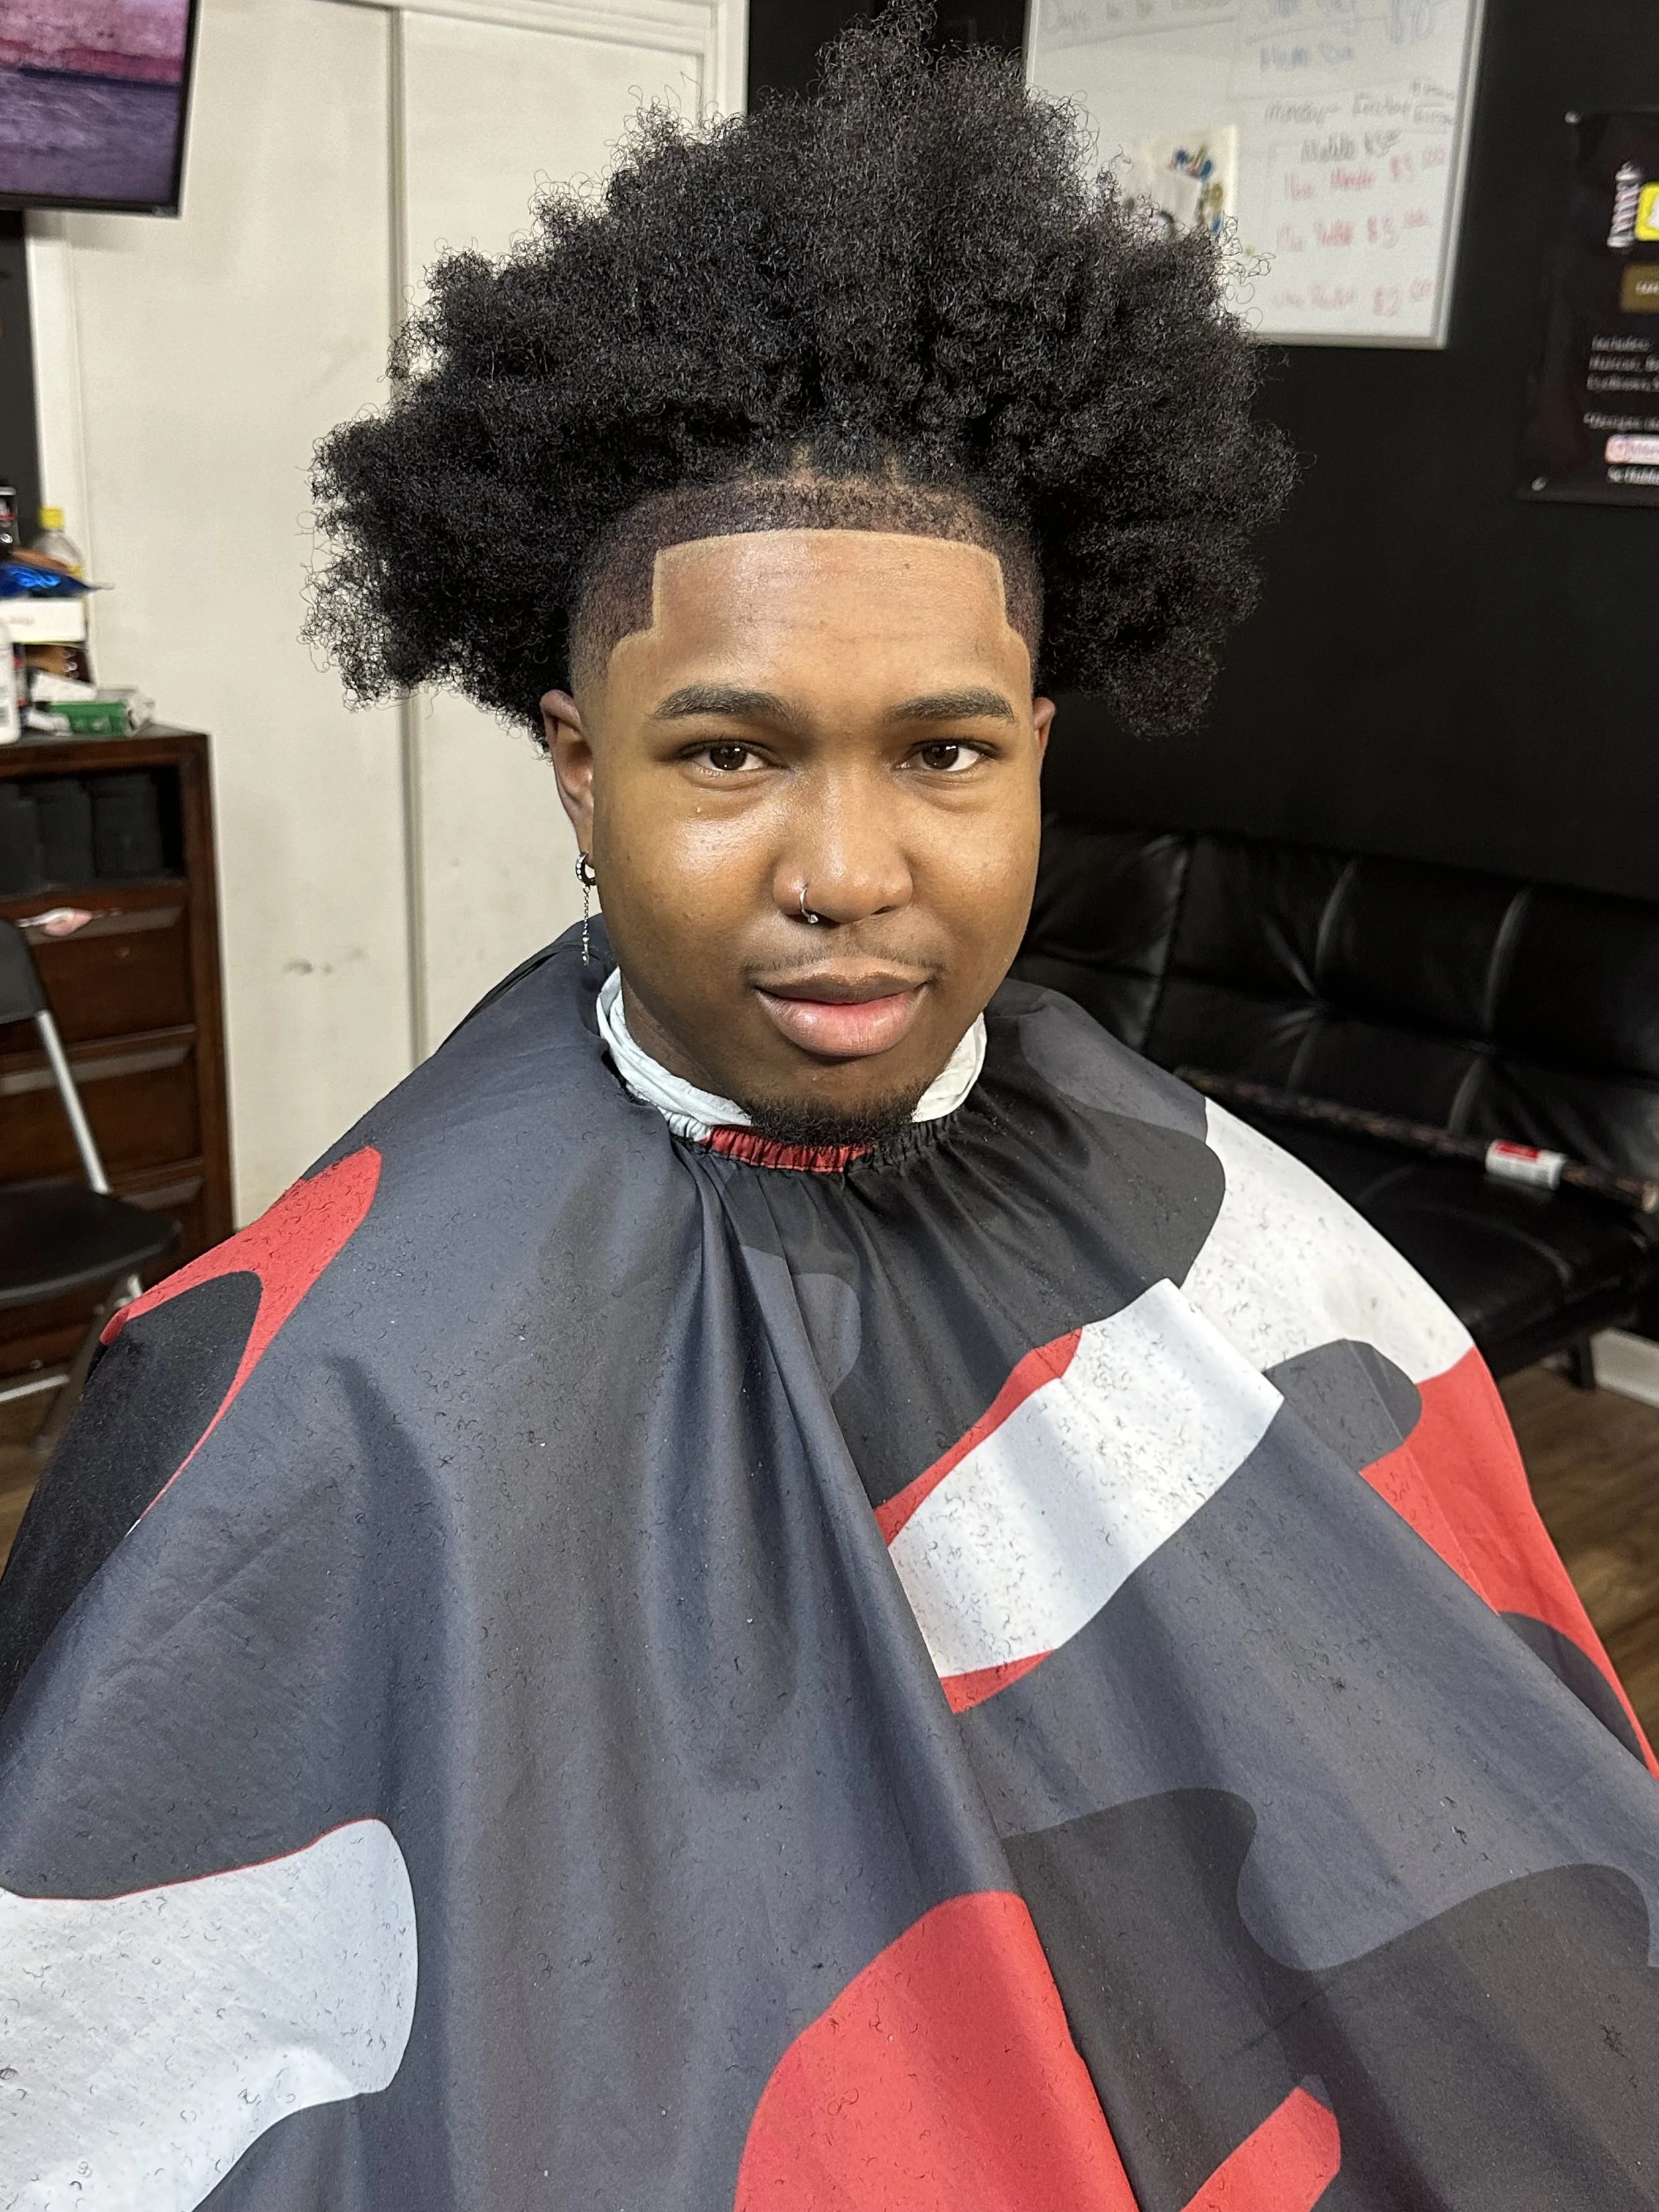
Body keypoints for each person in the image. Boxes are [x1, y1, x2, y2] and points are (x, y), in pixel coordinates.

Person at [2, 13, 1656, 2209]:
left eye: (944, 752)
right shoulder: (332, 1376)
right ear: (575, 763)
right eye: (726, 751)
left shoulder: (1228, 1227)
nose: (849, 869)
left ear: (1046, 744)